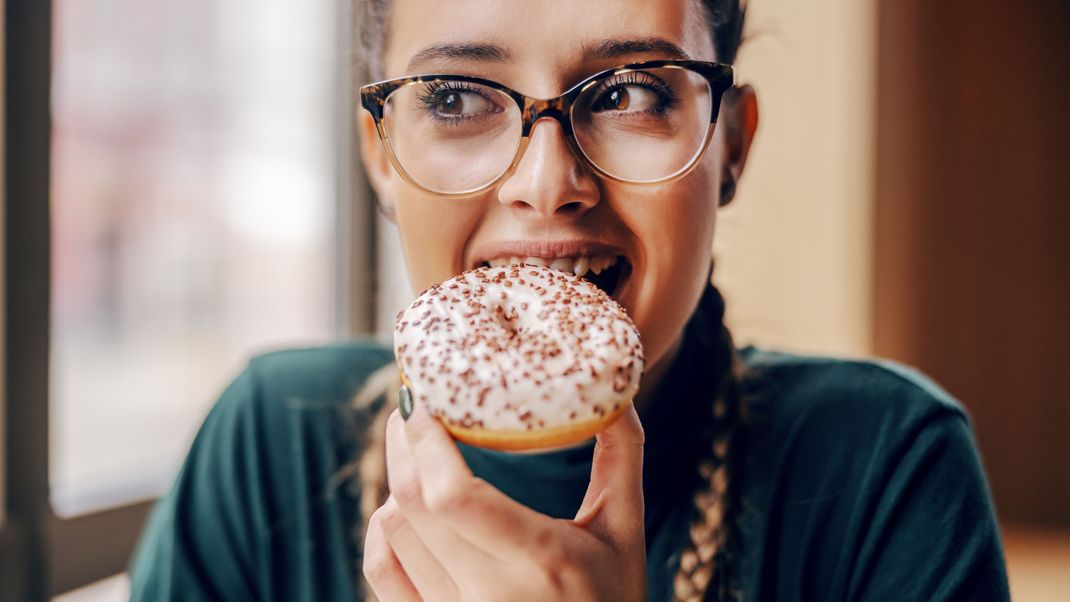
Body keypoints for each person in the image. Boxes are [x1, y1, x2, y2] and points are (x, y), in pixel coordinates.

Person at [128, 0, 1011, 600]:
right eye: (457, 97)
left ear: (729, 146)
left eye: (628, 93)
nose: (548, 183)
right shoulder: (263, 444)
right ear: (380, 156)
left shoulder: (889, 472)